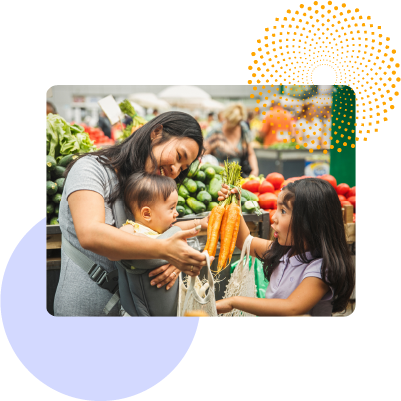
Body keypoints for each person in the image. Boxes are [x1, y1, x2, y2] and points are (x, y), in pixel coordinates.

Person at [54, 111, 207, 316]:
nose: (175, 170)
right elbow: (90, 234)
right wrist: (165, 250)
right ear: (156, 133)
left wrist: (173, 260)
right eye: (179, 157)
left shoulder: (148, 187)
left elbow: (163, 230)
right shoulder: (90, 170)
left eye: (183, 168)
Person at [215, 178, 355, 317]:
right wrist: (234, 205)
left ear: (309, 222)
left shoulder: (321, 268)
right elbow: (245, 242)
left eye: (283, 211)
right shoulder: (282, 252)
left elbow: (291, 307)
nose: (274, 217)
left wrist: (233, 302)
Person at [119, 172, 213, 292]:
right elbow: (120, 239)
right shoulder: (133, 228)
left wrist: (199, 222)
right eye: (171, 208)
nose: (176, 213)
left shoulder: (163, 229)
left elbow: (178, 227)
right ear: (147, 214)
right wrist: (140, 239)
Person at [204, 103, 259, 177]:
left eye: (238, 123)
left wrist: (255, 170)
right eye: (232, 122)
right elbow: (203, 154)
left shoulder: (243, 128)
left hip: (238, 177)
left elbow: (250, 153)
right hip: (217, 177)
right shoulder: (216, 131)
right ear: (226, 118)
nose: (235, 126)